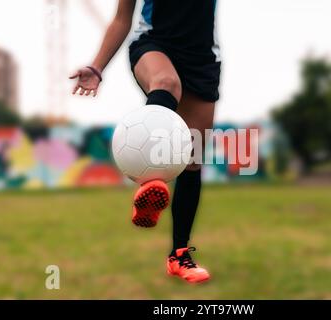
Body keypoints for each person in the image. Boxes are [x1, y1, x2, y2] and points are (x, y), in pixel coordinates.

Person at [70, 0, 221, 284]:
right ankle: (149, 182)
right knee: (166, 82)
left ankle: (179, 256)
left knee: (192, 159)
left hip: (202, 59)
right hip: (153, 45)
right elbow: (121, 19)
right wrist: (97, 66)